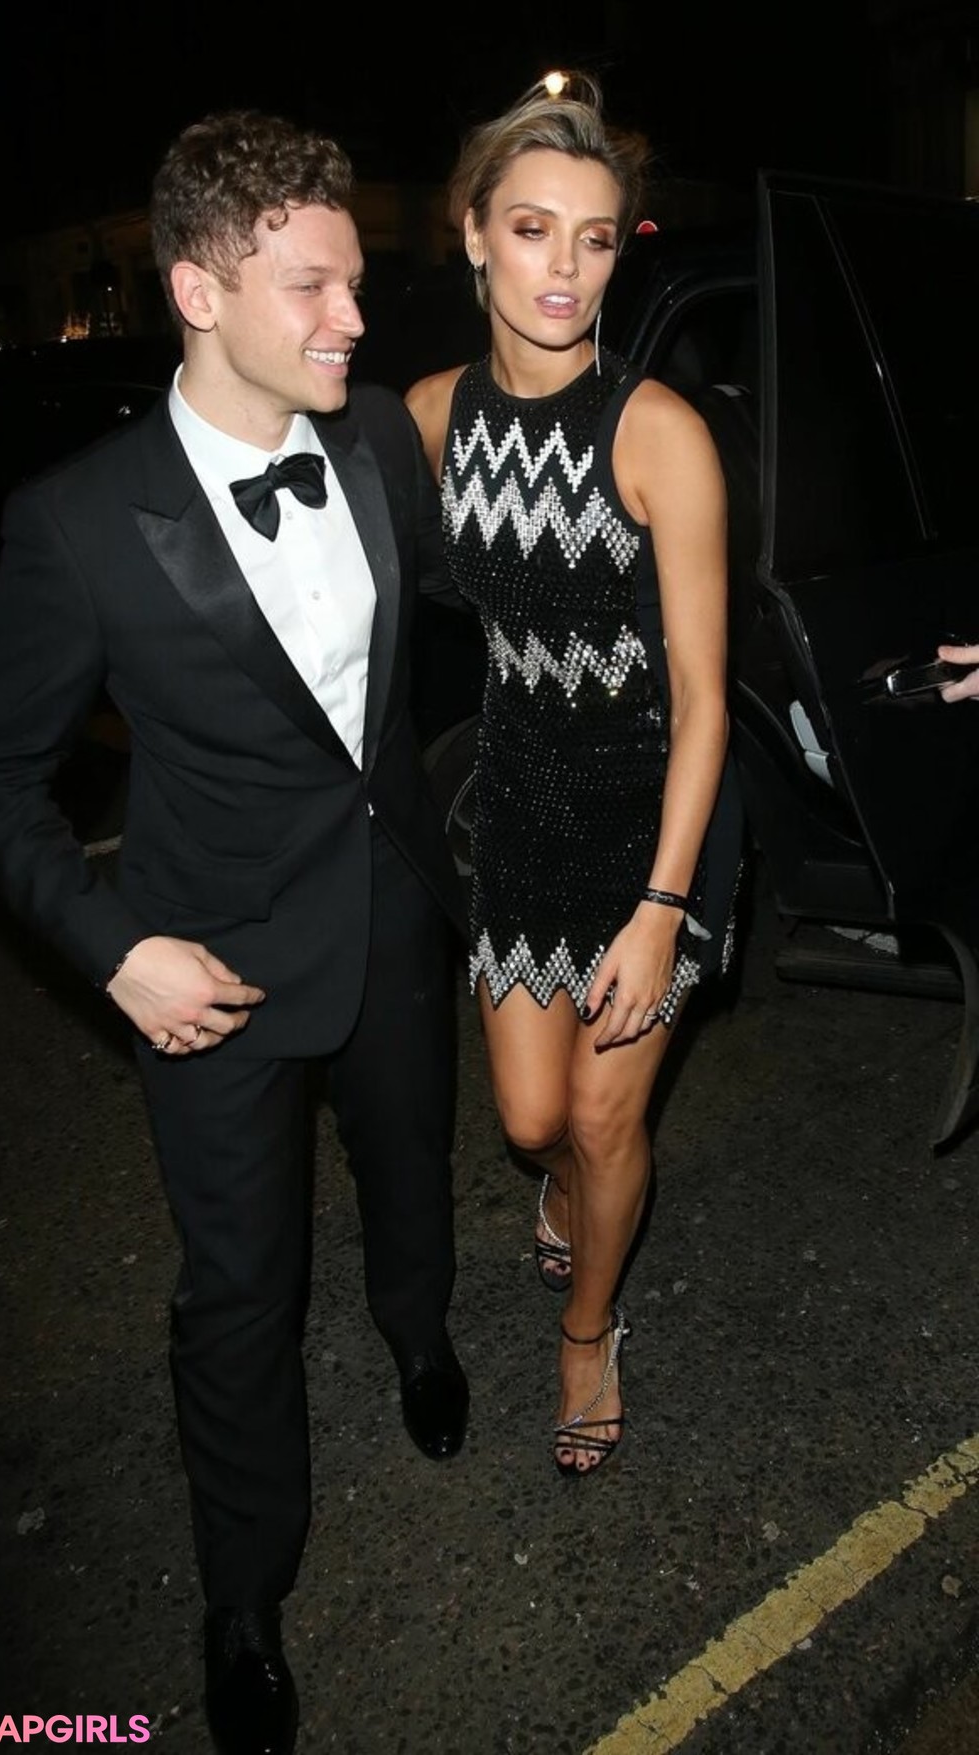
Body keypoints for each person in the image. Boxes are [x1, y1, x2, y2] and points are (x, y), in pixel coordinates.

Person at [0, 109, 470, 1755]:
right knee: (238, 1291)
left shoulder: (375, 438)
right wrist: (115, 949)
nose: (354, 318)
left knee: (411, 1162)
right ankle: (243, 1597)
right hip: (211, 965)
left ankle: (422, 1339)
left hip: (393, 912)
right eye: (313, 286)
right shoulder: (79, 520)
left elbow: (452, 628)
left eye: (356, 282)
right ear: (198, 290)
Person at [405, 72, 743, 1480]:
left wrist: (663, 906)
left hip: (659, 814)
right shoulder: (430, 419)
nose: (565, 267)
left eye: (595, 238)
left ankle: (590, 1329)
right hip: (522, 802)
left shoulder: (657, 432)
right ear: (475, 235)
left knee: (608, 1118)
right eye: (533, 229)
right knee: (534, 1121)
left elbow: (706, 697)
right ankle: (566, 1192)